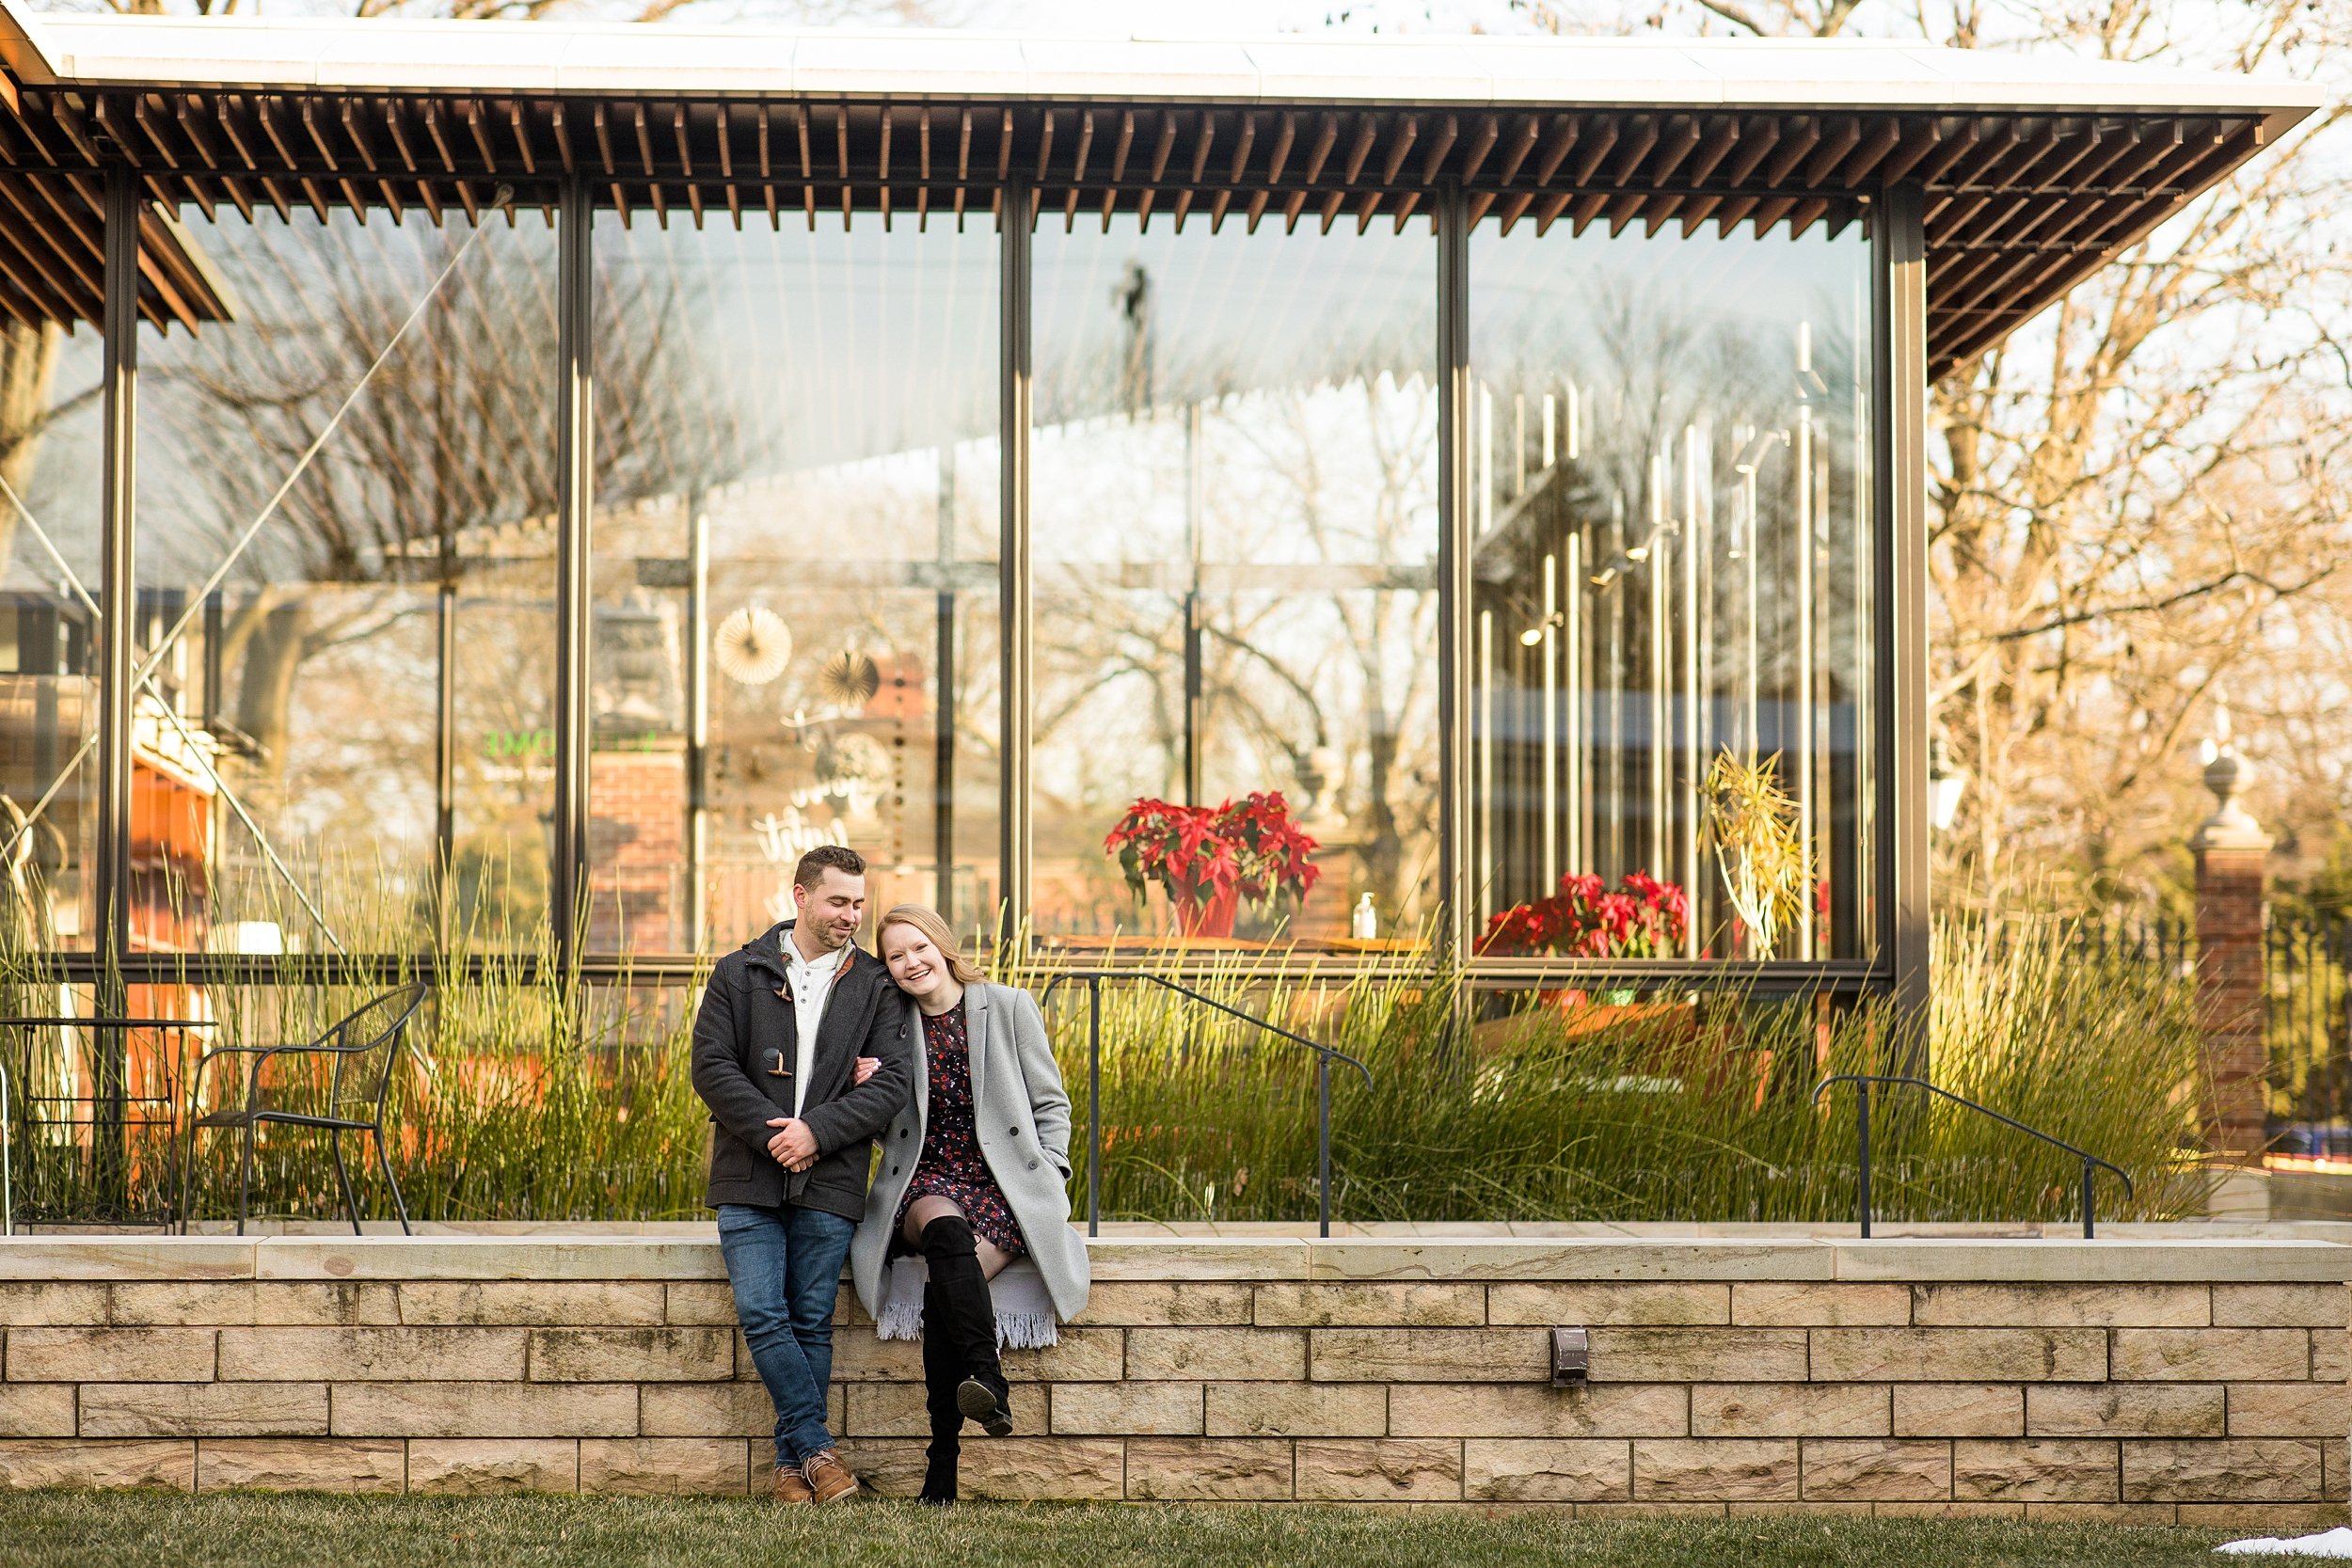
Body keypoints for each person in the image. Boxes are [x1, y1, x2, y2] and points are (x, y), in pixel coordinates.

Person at [690, 844, 914, 1506]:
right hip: (747, 1173)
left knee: (812, 1317)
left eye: (858, 902)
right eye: (839, 900)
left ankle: (792, 1471)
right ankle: (818, 1448)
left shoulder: (877, 984)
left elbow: (893, 1082)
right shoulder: (739, 971)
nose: (851, 914)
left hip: (834, 1171)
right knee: (763, 1309)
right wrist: (778, 1135)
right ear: (801, 896)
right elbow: (712, 1067)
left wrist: (817, 1132)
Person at [850, 903, 1091, 1507]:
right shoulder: (889, 1027)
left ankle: (943, 1462)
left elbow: (1051, 1105)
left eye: (918, 947)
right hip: (925, 1181)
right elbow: (890, 1135)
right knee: (945, 1234)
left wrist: (1051, 1173)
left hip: (1004, 1182)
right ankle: (989, 1377)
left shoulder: (1009, 1007)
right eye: (895, 956)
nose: (910, 963)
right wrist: (869, 1090)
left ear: (942, 945)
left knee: (947, 1288)